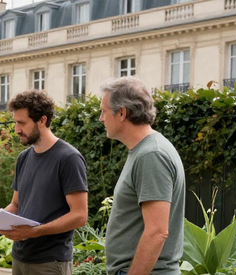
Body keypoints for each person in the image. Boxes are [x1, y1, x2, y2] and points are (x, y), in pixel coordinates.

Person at [0, 90, 88, 275]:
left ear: (42, 120)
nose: (17, 129)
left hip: (50, 262)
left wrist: (34, 231)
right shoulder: (24, 158)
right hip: (20, 258)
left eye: (22, 123)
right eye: (15, 122)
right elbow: (16, 205)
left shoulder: (68, 158)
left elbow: (80, 215)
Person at [99, 77, 185, 275]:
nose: (101, 118)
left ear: (122, 113)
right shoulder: (144, 151)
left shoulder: (151, 155)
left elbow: (157, 231)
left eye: (103, 111)